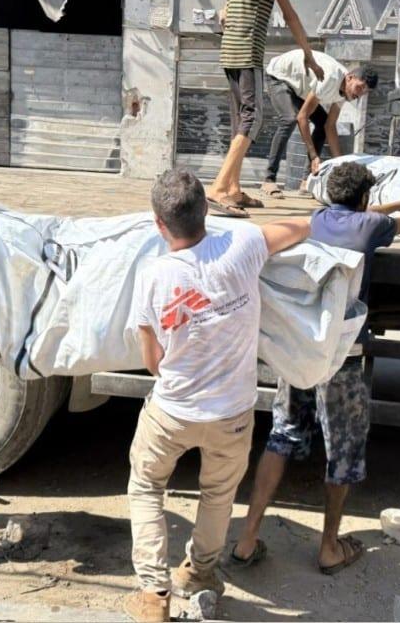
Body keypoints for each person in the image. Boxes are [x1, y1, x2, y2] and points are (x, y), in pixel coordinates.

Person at [231, 161, 400, 575]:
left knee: (282, 435)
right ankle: (329, 547)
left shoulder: (316, 219)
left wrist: (394, 204)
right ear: (364, 198)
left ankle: (246, 538)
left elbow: (362, 214)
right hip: (343, 355)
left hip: (302, 348)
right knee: (342, 450)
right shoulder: (371, 227)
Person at [123, 168, 310, 622]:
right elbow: (297, 228)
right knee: (218, 495)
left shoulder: (153, 276)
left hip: (172, 411)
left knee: (146, 487)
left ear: (159, 224)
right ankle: (199, 573)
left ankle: (154, 595)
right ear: (207, 209)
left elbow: (152, 362)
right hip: (233, 414)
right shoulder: (243, 245)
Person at [207, 0, 325, 219]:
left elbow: (226, 10)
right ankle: (218, 188)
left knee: (241, 120)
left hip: (229, 51)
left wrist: (228, 16)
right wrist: (309, 55)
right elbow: (289, 14)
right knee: (253, 117)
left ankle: (234, 188)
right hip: (248, 49)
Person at [261, 50, 379, 197]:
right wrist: (313, 155)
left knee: (322, 123)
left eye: (364, 92)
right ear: (350, 78)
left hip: (300, 87)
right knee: (289, 119)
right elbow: (302, 117)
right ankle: (269, 179)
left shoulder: (346, 94)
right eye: (359, 87)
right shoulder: (330, 78)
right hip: (279, 76)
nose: (359, 94)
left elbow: (330, 126)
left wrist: (341, 164)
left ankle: (306, 181)